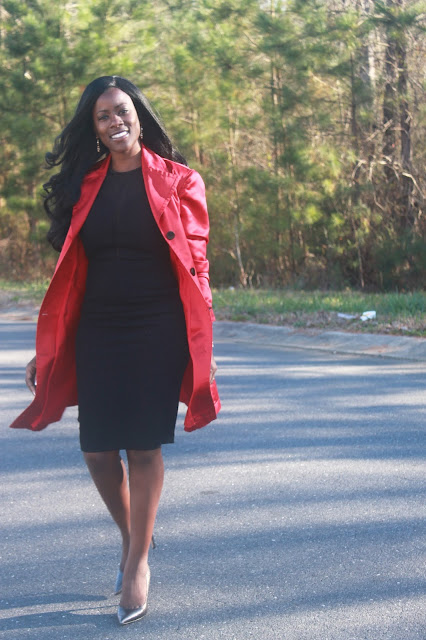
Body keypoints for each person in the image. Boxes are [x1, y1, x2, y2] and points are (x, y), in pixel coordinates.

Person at [10, 75, 221, 626]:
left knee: (143, 447)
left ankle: (137, 565)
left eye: (122, 110)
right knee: (98, 450)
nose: (115, 121)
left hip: (158, 327)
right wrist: (47, 350)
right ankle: (133, 538)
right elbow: (68, 275)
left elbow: (198, 264)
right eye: (103, 116)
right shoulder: (84, 185)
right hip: (98, 328)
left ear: (139, 116)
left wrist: (203, 339)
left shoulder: (180, 181)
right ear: (95, 128)